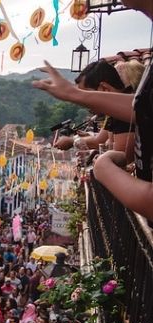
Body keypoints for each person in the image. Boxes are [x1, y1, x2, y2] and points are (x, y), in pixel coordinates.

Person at [32, 0, 153, 219]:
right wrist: (75, 95)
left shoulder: (119, 118)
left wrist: (102, 166)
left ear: (104, 88)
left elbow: (120, 152)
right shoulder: (133, 105)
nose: (90, 109)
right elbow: (143, 108)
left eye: (92, 100)